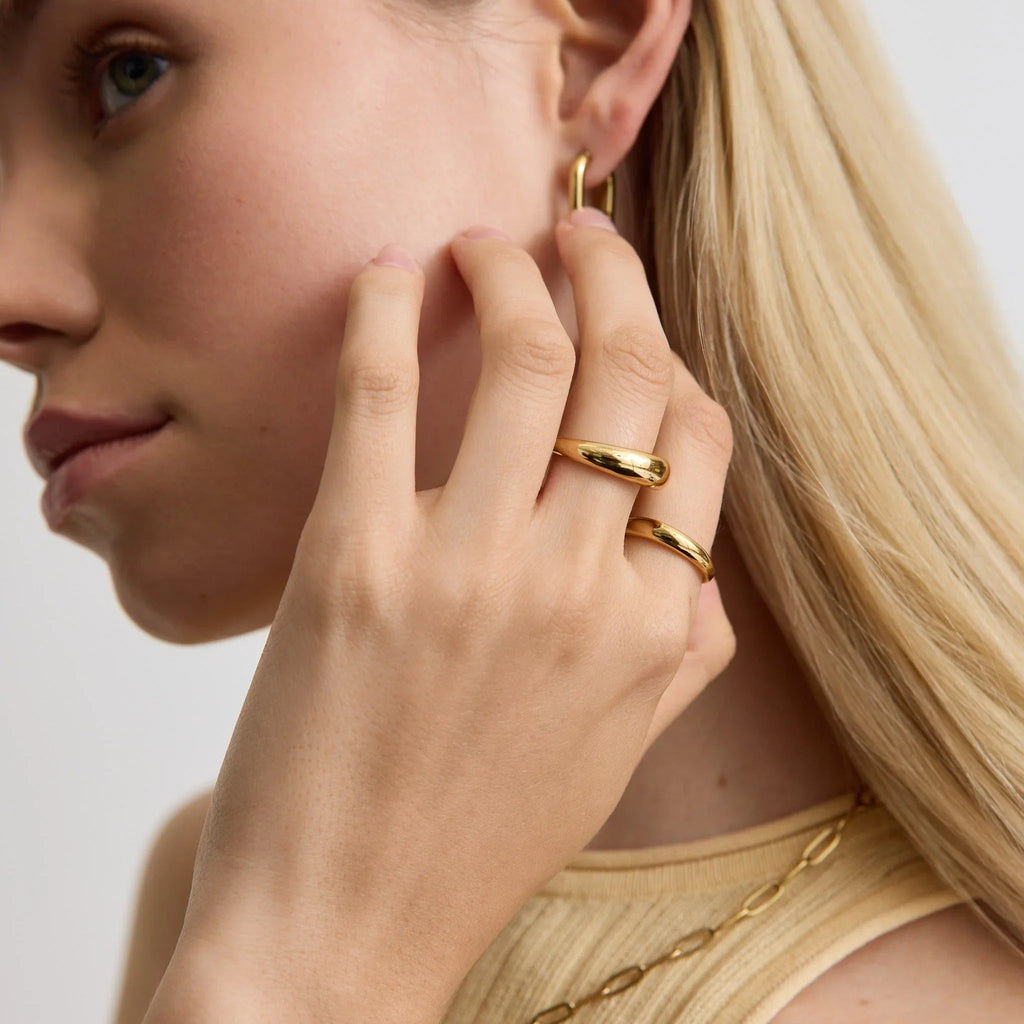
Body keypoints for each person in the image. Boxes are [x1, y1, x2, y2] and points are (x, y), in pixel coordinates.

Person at [2, 0, 1023, 1021]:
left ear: (592, 49)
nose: (11, 288)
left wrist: (299, 973)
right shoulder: (235, 887)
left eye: (127, 75)